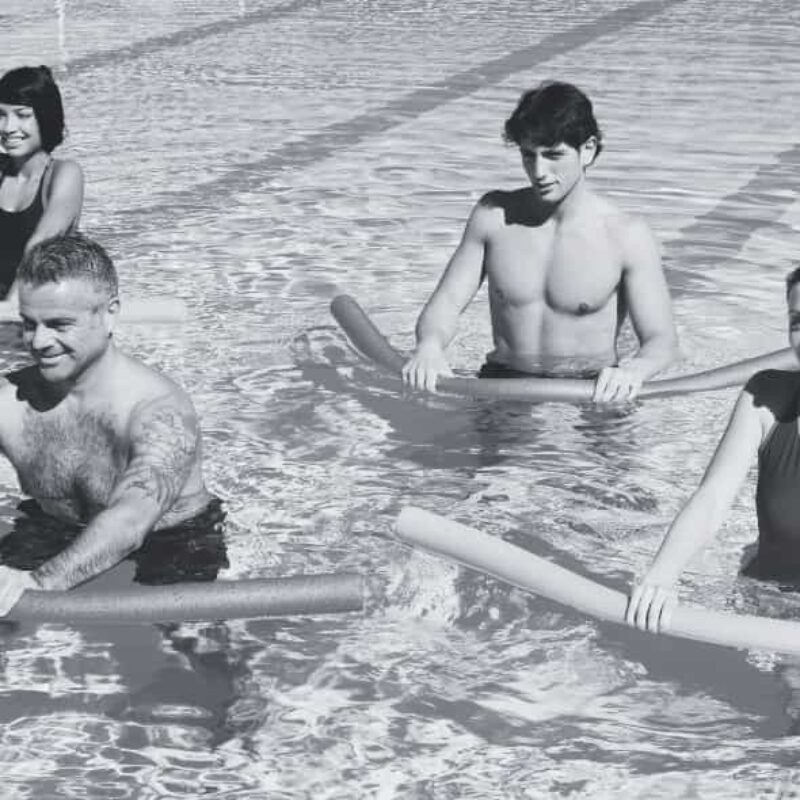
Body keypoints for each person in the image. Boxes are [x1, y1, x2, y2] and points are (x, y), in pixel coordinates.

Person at [401, 80, 679, 403]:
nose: (539, 172)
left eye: (553, 155)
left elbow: (662, 341)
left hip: (593, 391)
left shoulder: (627, 236)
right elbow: (447, 303)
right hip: (504, 382)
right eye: (528, 155)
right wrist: (430, 346)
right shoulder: (494, 217)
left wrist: (635, 370)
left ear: (588, 150)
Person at [0, 233, 221, 615]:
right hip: (53, 528)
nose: (39, 342)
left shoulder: (159, 412)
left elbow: (131, 521)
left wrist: (39, 583)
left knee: (196, 643)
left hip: (171, 541)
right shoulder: (11, 401)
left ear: (110, 313)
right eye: (29, 324)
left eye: (59, 324)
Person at [627, 267, 800, 633]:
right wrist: (661, 576)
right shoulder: (767, 398)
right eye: (797, 321)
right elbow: (713, 497)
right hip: (766, 606)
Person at [0, 65, 83, 310]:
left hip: (39, 312)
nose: (8, 127)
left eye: (22, 115)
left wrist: (9, 310)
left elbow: (41, 244)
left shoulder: (64, 174)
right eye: (1, 115)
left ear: (45, 117)